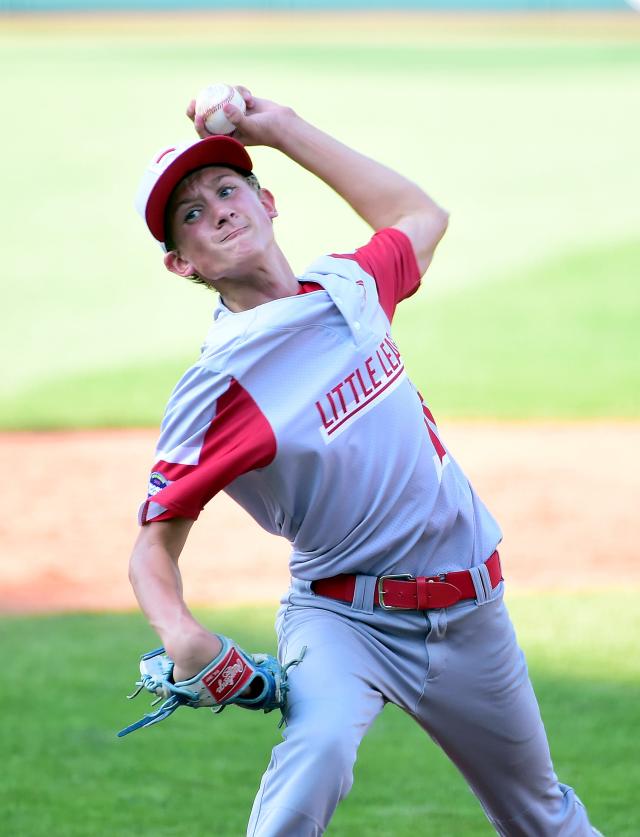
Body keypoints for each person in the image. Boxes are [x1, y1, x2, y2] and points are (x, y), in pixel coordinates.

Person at [129, 86, 601, 836]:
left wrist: (282, 128)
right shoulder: (220, 386)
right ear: (181, 265)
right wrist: (182, 634)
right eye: (191, 214)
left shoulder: (350, 285)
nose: (217, 208)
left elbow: (422, 217)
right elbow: (153, 547)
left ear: (266, 201)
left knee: (542, 815)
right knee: (308, 772)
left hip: (472, 606)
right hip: (344, 618)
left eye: (228, 188)